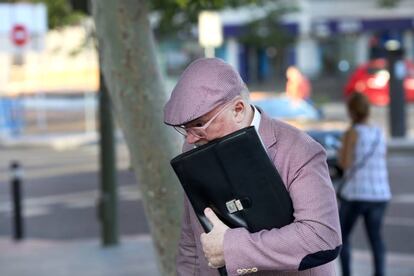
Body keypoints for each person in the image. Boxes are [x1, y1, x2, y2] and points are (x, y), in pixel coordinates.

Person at [164, 58, 342, 276]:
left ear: (238, 109)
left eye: (199, 125)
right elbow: (191, 239)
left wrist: (230, 248)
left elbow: (321, 236)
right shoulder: (192, 146)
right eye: (185, 128)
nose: (191, 138)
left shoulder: (300, 149)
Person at [338, 92, 391, 276]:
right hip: (380, 194)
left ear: (351, 111)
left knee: (342, 236)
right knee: (376, 239)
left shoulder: (351, 133)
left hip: (356, 194)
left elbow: (344, 164)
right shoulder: (379, 132)